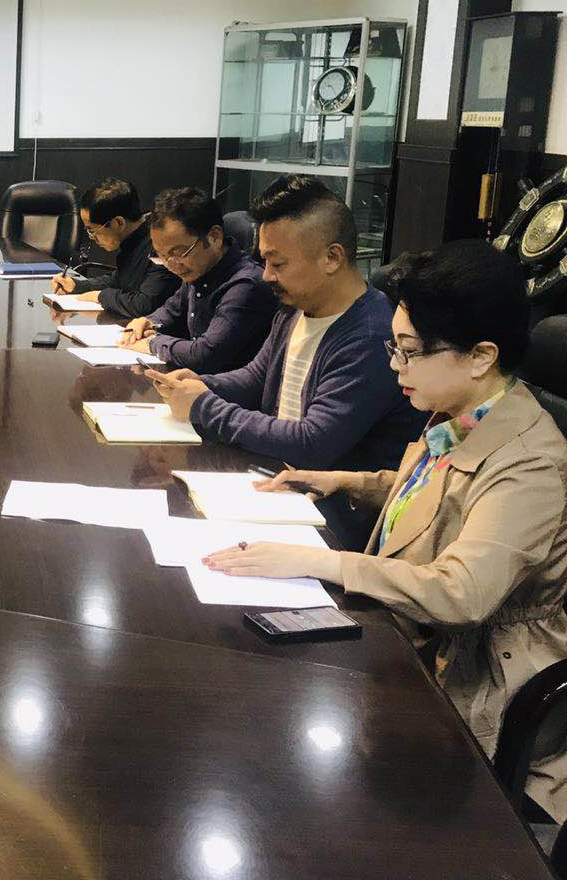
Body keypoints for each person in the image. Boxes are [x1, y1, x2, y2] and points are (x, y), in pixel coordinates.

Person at [203, 240, 567, 822]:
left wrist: (317, 561)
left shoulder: (531, 464)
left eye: (410, 352)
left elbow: (463, 592)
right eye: (394, 348)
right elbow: (441, 490)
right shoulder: (468, 412)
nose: (396, 366)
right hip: (416, 640)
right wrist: (347, 480)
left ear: (481, 355)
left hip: (482, 686)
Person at [146, 175, 424, 549]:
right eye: (264, 261)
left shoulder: (371, 334)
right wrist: (199, 383)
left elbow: (313, 442)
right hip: (276, 483)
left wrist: (204, 406)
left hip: (331, 519)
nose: (266, 276)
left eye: (278, 263)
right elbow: (257, 378)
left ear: (332, 257)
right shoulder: (295, 307)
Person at [118, 186, 277, 373]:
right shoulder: (199, 270)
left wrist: (152, 342)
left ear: (214, 236)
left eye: (179, 253)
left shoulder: (245, 285)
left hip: (224, 387)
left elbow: (204, 354)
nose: (171, 265)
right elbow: (171, 311)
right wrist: (147, 322)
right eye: (161, 255)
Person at [49, 177, 179, 318]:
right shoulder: (133, 239)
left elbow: (145, 304)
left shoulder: (160, 243)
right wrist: (78, 286)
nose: (92, 237)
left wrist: (100, 296)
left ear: (118, 223)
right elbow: (119, 281)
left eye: (92, 230)